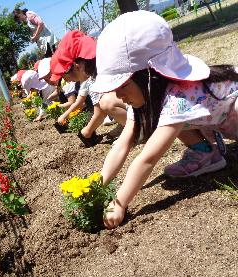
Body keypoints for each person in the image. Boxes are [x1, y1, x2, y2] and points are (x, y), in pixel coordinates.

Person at [89, 10, 238, 229]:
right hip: (219, 120)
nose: (118, 95)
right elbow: (122, 144)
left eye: (122, 85)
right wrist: (97, 184)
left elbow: (147, 159)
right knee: (165, 122)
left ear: (150, 75)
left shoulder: (178, 96)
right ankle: (206, 155)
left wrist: (119, 202)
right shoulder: (148, 97)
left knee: (169, 122)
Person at [50, 30, 127, 147]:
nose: (68, 81)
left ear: (76, 66)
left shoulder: (99, 72)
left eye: (65, 77)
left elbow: (99, 111)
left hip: (149, 104)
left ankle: (136, 130)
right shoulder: (97, 67)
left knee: (107, 103)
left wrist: (87, 131)